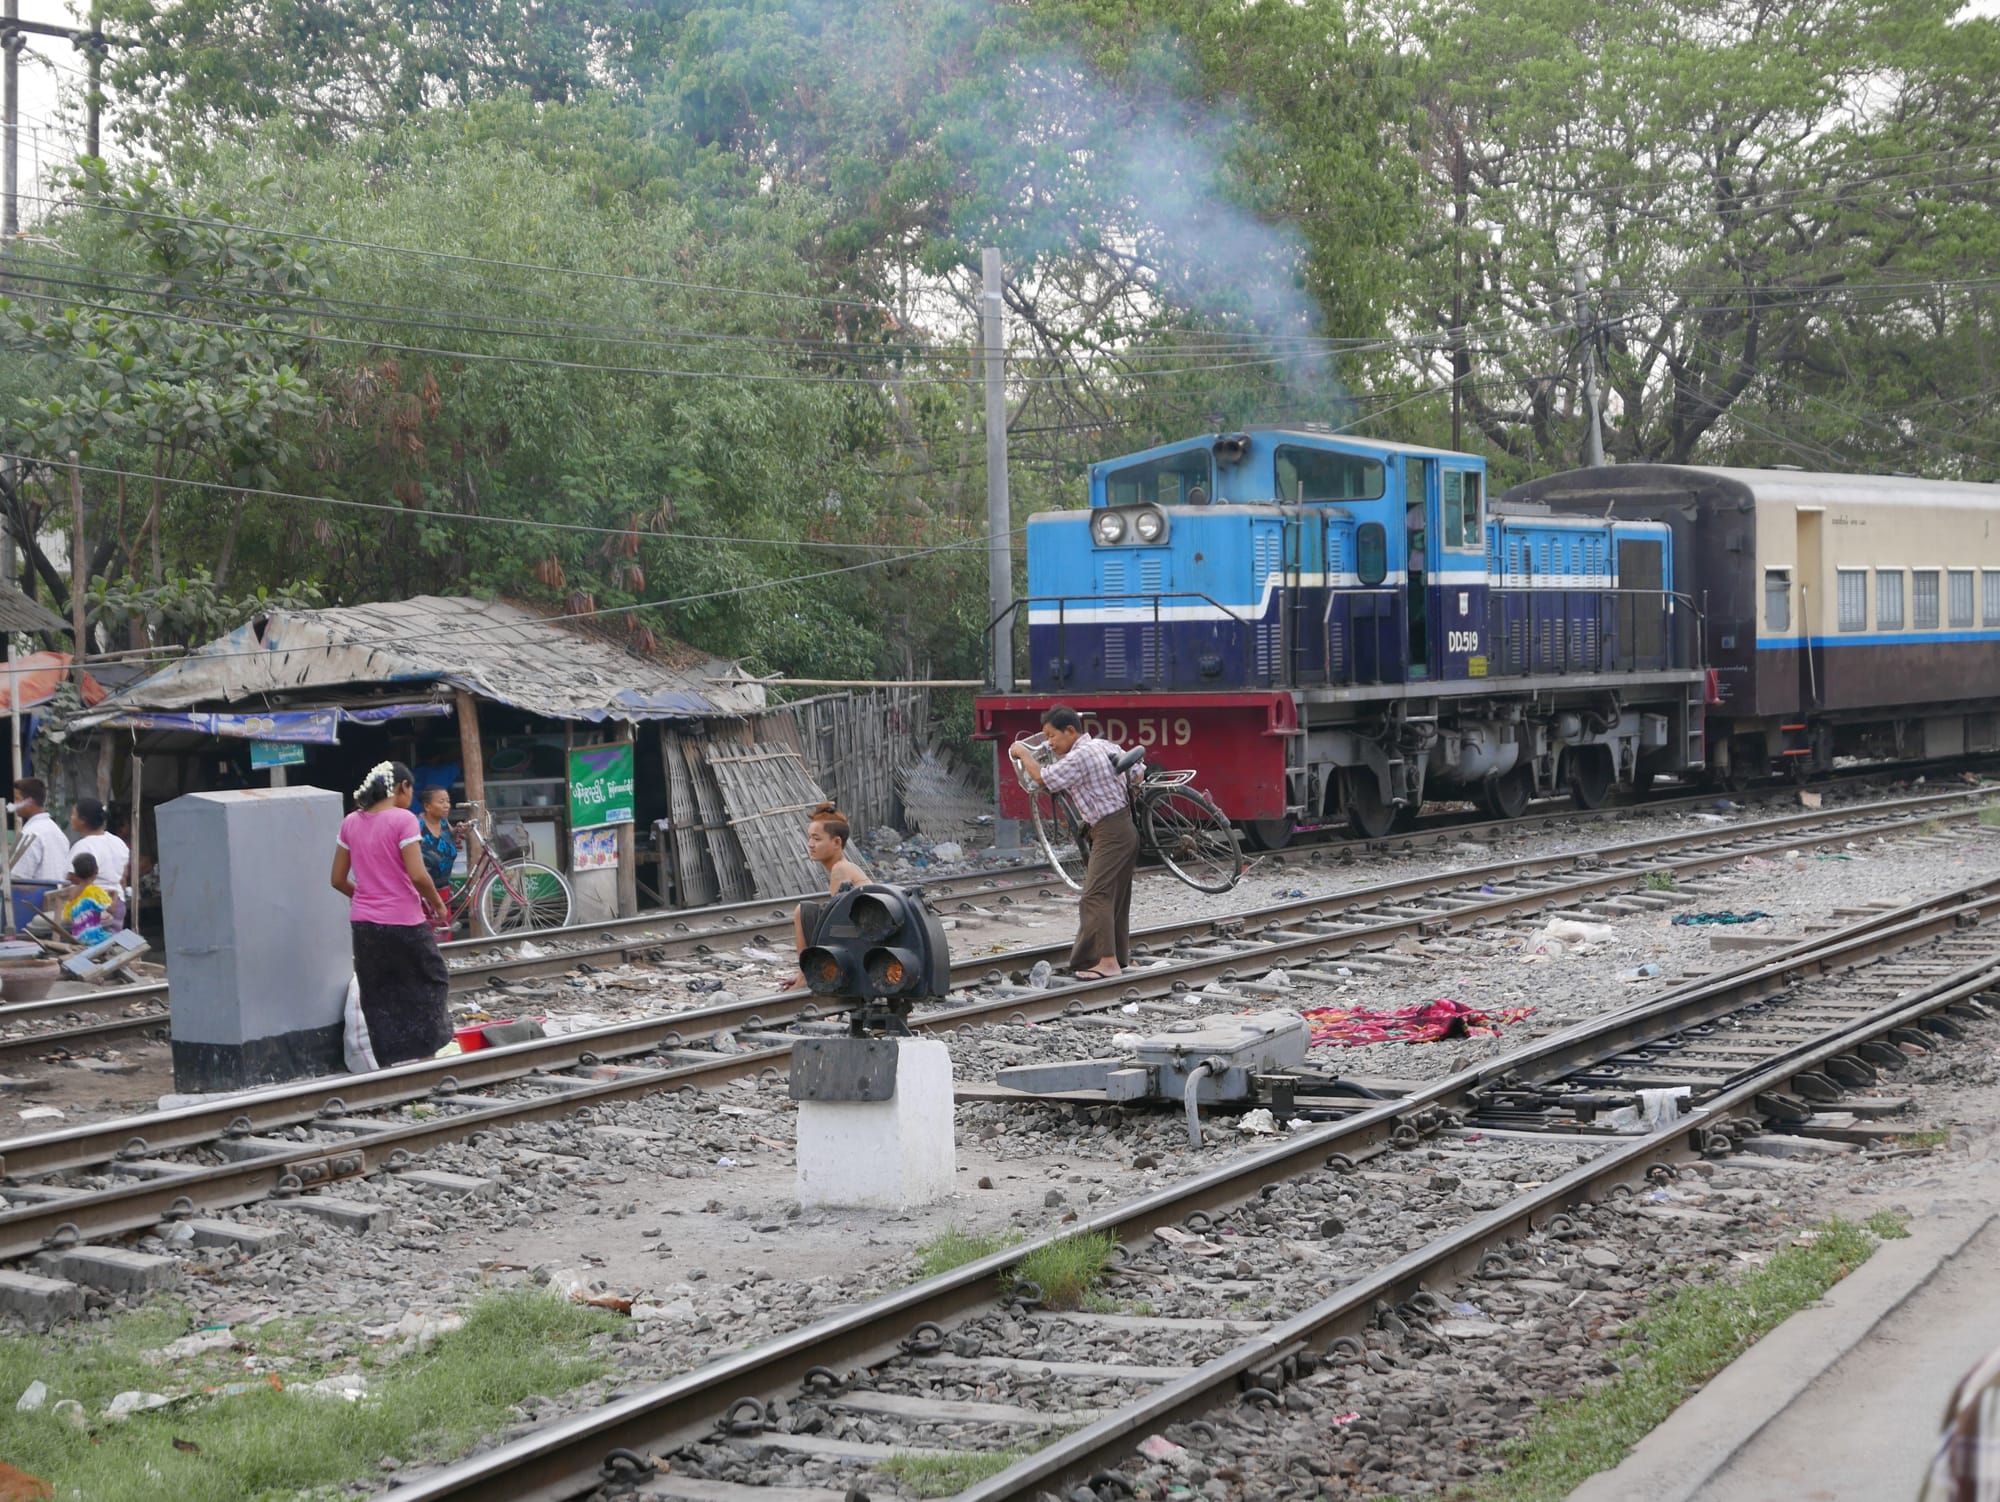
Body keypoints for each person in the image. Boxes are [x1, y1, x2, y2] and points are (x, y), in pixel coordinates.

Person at [329, 760, 453, 1067]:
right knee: (431, 980)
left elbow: (337, 879)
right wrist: (437, 904)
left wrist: (369, 897)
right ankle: (425, 1054)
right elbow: (418, 875)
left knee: (379, 991)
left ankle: (388, 1062)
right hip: (404, 921)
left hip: (364, 924)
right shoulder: (404, 819)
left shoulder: (351, 822)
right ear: (403, 787)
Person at [1008, 705, 1137, 979]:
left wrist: (1022, 752)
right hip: (1125, 826)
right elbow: (1138, 768)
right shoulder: (1102, 744)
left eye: (1052, 736)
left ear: (1070, 731)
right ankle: (1119, 957)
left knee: (1094, 896)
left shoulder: (1080, 755)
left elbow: (1044, 777)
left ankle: (1107, 962)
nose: (1050, 743)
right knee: (1116, 895)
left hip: (1111, 831)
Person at [787, 802, 870, 988]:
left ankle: (806, 974)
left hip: (863, 938)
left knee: (802, 911)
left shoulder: (840, 869)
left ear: (836, 842)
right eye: (809, 838)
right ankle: (804, 973)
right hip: (863, 933)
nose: (810, 844)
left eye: (816, 839)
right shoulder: (845, 867)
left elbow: (835, 922)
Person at [8, 777, 69, 886]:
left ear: (30, 802)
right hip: (58, 897)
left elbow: (18, 876)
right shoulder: (56, 831)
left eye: (17, 799)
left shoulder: (30, 833)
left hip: (33, 898)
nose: (14, 803)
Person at [70, 797, 129, 896]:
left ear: (82, 820)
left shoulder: (83, 846)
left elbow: (72, 877)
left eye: (73, 814)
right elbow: (123, 877)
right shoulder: (119, 842)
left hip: (93, 903)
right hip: (117, 902)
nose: (71, 817)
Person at [59, 851, 114, 947]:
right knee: (114, 938)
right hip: (94, 938)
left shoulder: (72, 891)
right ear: (96, 871)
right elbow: (112, 909)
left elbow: (73, 914)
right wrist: (115, 895)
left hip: (77, 937)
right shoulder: (95, 891)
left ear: (76, 873)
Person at [415, 787, 459, 895]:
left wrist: (457, 830)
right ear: (427, 806)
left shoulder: (444, 822)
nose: (447, 805)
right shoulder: (416, 825)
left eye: (448, 801)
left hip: (444, 889)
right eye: (441, 802)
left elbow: (449, 838)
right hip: (422, 893)